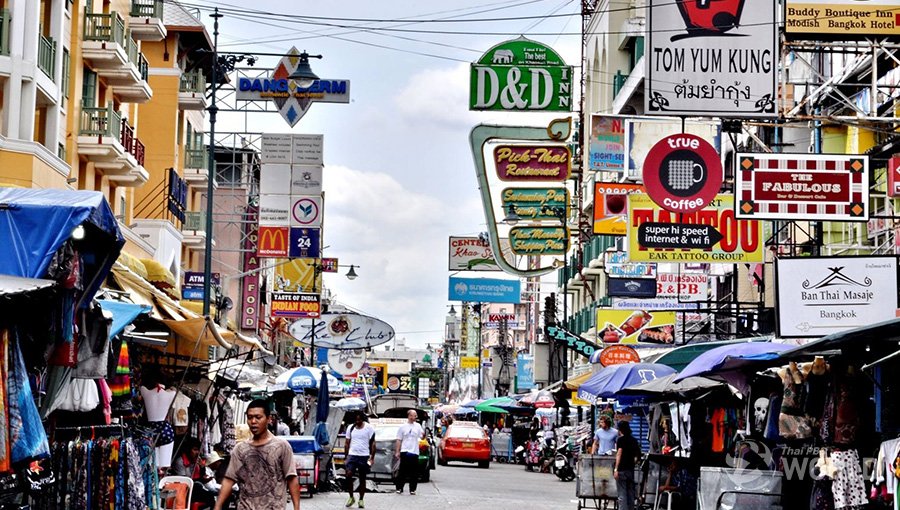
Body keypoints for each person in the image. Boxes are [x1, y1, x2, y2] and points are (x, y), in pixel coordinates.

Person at [214, 399, 300, 510]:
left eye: (258, 417)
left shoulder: (282, 447)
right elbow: (229, 479)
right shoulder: (240, 449)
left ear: (269, 419)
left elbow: (292, 478)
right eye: (250, 418)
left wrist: (296, 507)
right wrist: (218, 506)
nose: (253, 421)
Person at [171, 437, 215, 508]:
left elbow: (201, 476)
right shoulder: (180, 461)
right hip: (183, 490)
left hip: (195, 487)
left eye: (198, 450)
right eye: (195, 450)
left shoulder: (197, 460)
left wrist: (202, 468)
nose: (197, 453)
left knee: (211, 497)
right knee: (201, 490)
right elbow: (185, 481)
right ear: (188, 450)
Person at [344, 411, 375, 508]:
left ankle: (361, 499)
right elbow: (347, 443)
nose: (357, 422)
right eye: (356, 420)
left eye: (359, 420)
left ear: (363, 419)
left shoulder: (369, 428)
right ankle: (351, 497)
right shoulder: (351, 428)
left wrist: (372, 457)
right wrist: (346, 457)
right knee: (348, 475)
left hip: (364, 455)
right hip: (352, 455)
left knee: (362, 478)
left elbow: (373, 444)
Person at [394, 409, 425, 495]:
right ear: (408, 416)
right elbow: (399, 439)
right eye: (412, 415)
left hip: (414, 451)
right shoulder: (402, 427)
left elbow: (422, 437)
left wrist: (424, 435)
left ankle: (412, 489)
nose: (413, 417)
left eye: (415, 416)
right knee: (402, 471)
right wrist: (397, 451)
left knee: (414, 472)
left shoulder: (418, 426)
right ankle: (399, 487)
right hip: (405, 451)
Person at [614, 420, 641, 510]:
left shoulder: (620, 440)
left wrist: (616, 469)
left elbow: (619, 454)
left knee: (622, 494)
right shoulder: (634, 440)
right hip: (630, 470)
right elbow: (637, 456)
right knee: (630, 494)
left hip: (621, 470)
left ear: (620, 430)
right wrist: (632, 463)